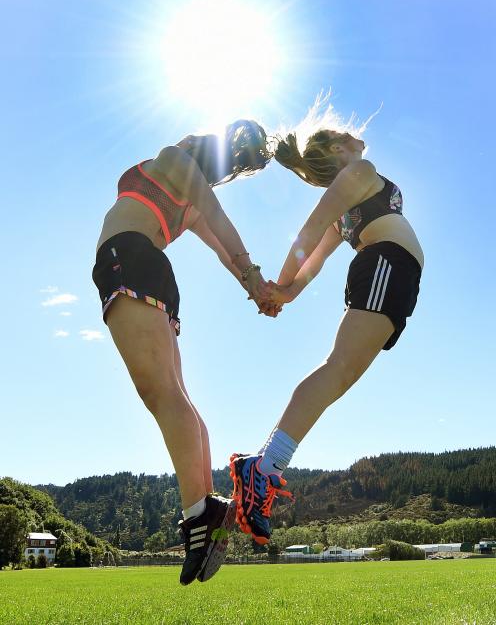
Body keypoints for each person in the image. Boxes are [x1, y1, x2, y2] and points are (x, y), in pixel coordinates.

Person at [230, 103, 424, 545]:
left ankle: (264, 467)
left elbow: (311, 268)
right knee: (336, 371)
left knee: (339, 375)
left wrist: (282, 293)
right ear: (339, 148)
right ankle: (263, 468)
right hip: (386, 267)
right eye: (347, 135)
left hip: (394, 277)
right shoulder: (359, 172)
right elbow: (308, 233)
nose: (358, 136)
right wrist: (276, 285)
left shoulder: (350, 198)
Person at [92, 119, 271, 584]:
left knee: (160, 394)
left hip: (127, 259)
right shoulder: (189, 201)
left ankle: (199, 515)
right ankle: (205, 506)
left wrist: (254, 280)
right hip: (147, 267)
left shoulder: (174, 159)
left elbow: (219, 225)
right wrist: (256, 289)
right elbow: (219, 246)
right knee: (175, 397)